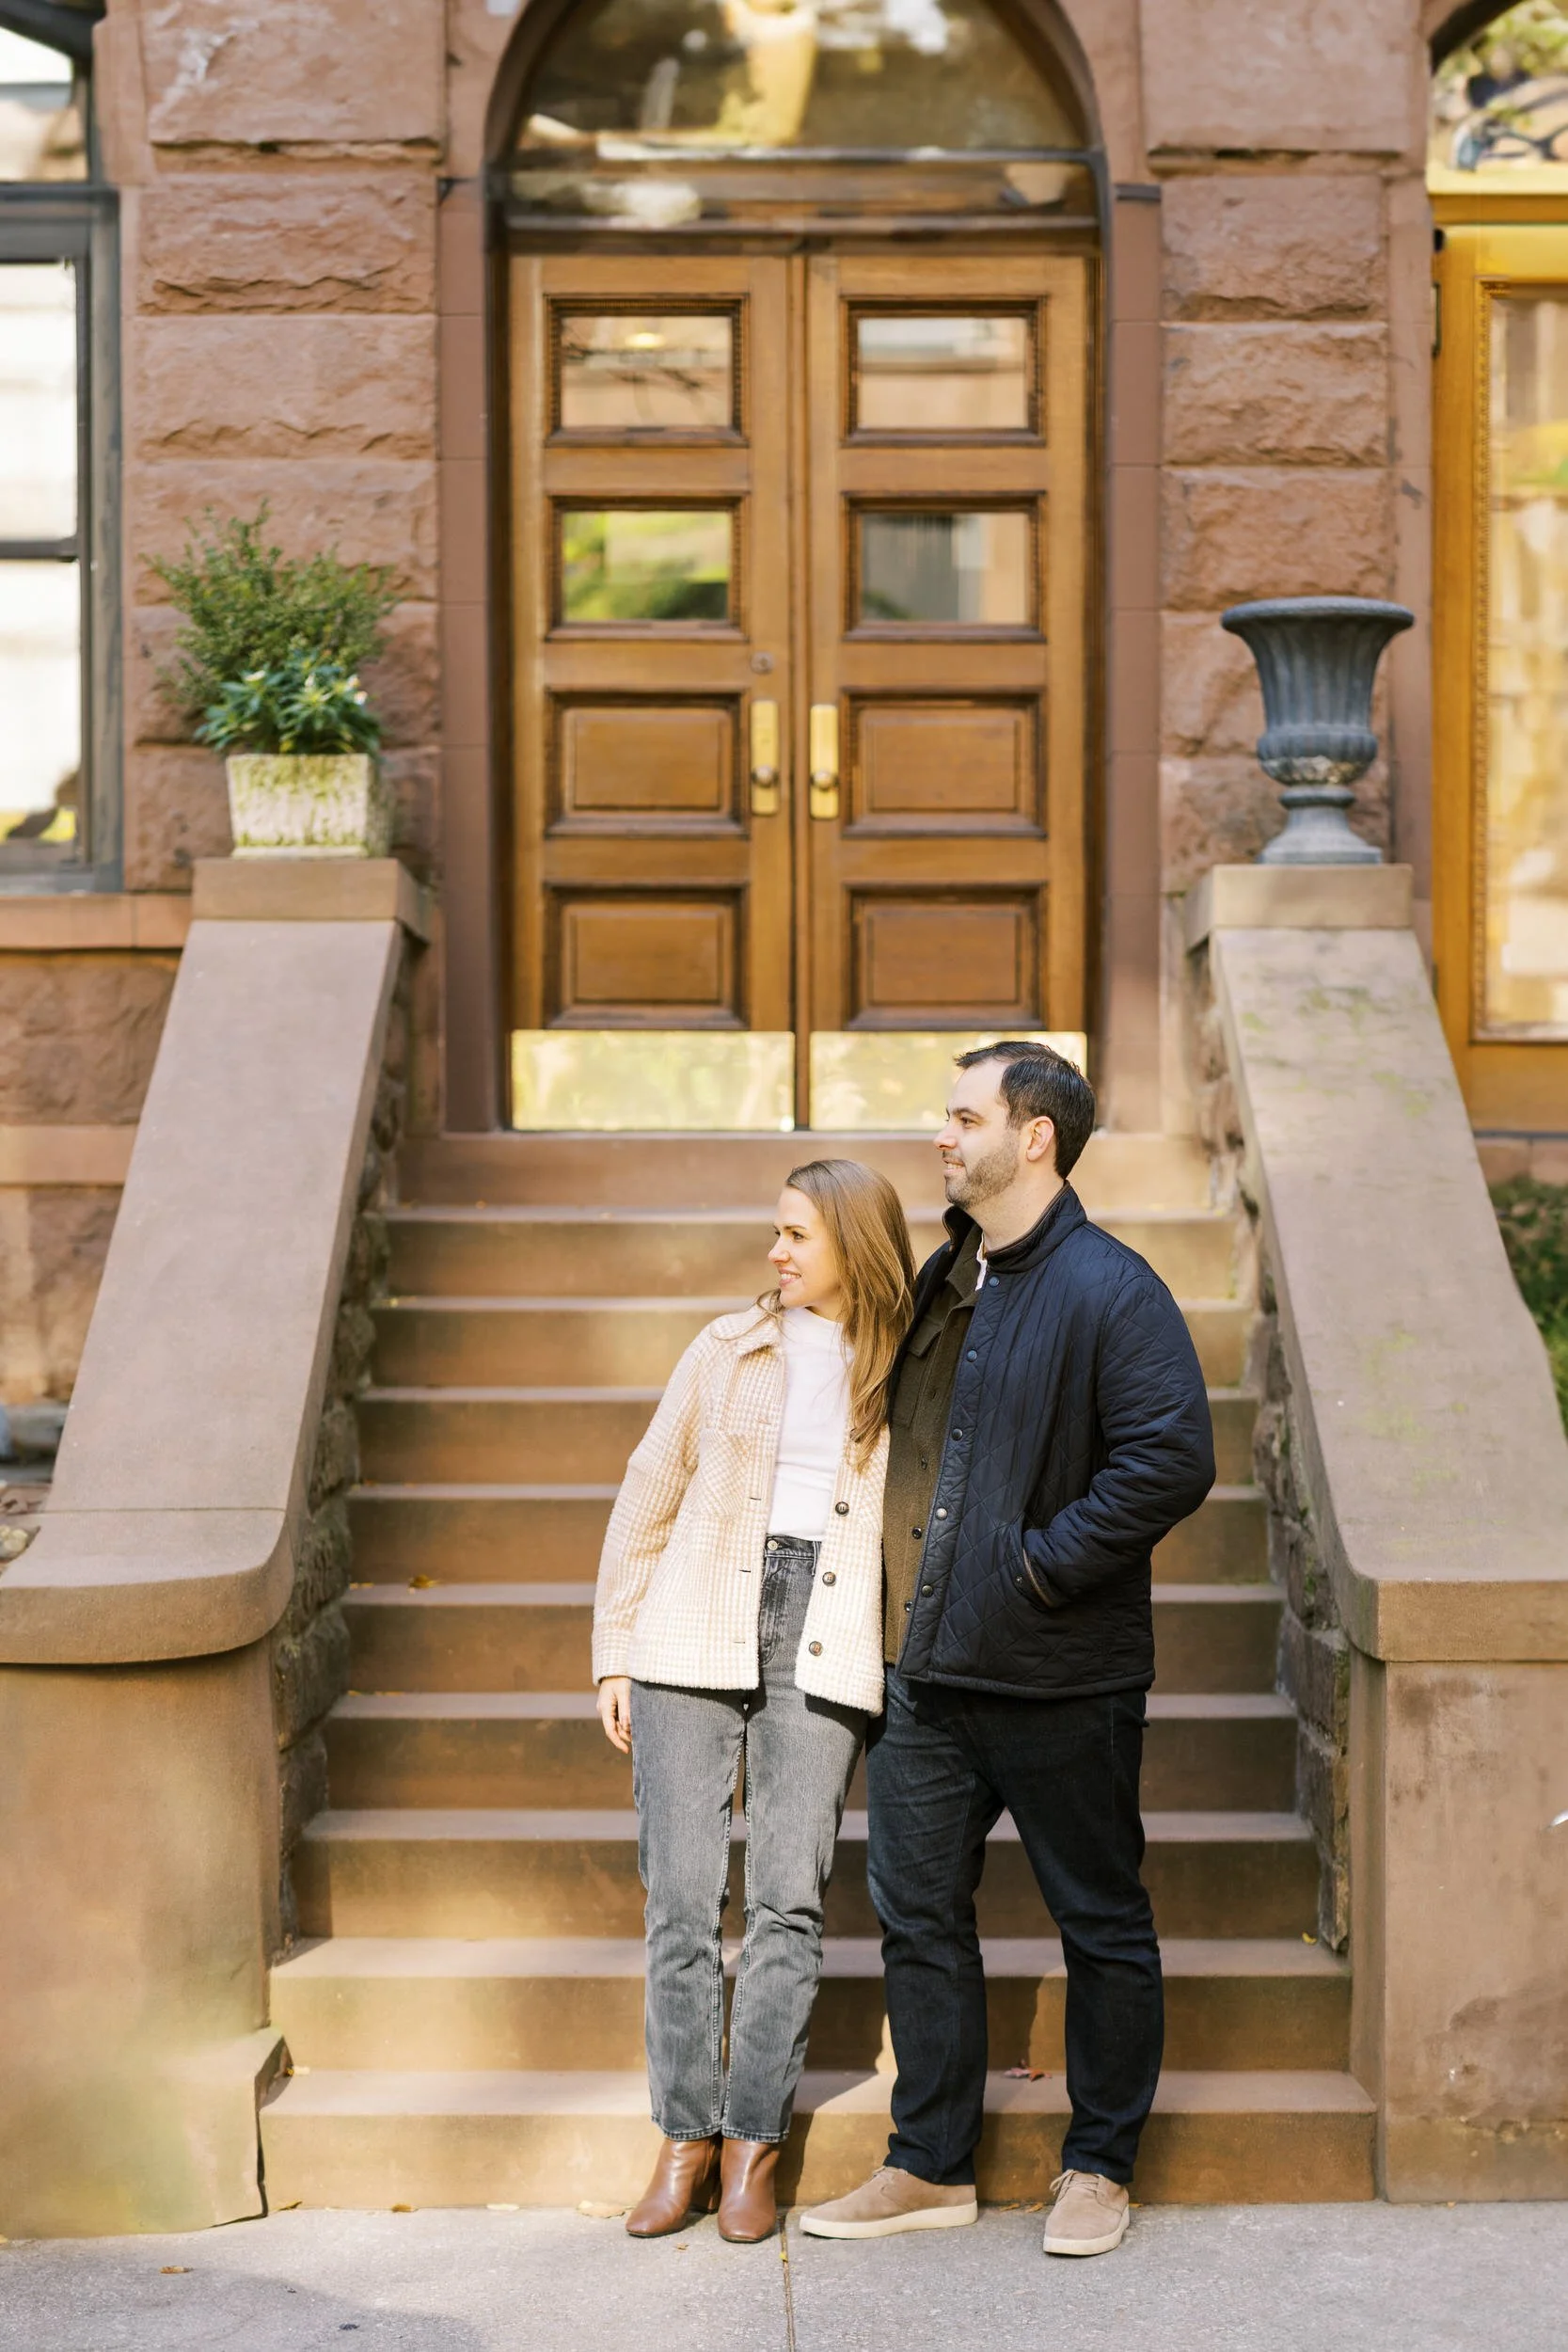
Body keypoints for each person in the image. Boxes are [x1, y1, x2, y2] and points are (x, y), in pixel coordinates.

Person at [801, 1042, 1214, 2259]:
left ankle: (1097, 2163)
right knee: (915, 1913)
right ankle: (927, 2163)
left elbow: (1169, 1460)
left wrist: (1037, 1566)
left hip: (1059, 1676)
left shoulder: (1110, 1288)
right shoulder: (949, 1277)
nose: (942, 1134)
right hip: (926, 1676)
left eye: (962, 1115)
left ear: (1033, 1136)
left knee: (1098, 1918)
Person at [594, 1157, 915, 2245]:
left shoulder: (906, 1366)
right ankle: (682, 2139)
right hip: (691, 1626)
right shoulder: (723, 1349)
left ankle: (749, 2146)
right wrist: (612, 1653)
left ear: (853, 1249)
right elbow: (647, 1494)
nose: (774, 1253)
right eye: (774, 1233)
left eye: (795, 1236)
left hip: (823, 1639)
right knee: (680, 1900)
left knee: (786, 1898)